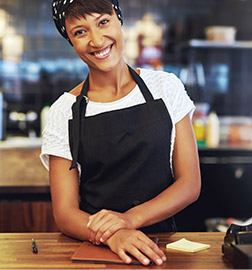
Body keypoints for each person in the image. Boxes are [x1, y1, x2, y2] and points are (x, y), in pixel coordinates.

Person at [41, 0, 201, 265]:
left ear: (119, 19)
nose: (96, 40)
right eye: (80, 32)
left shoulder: (166, 87)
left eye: (103, 22)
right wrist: (112, 235)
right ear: (70, 41)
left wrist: (128, 220)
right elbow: (65, 213)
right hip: (98, 247)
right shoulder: (64, 111)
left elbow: (190, 183)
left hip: (165, 247)